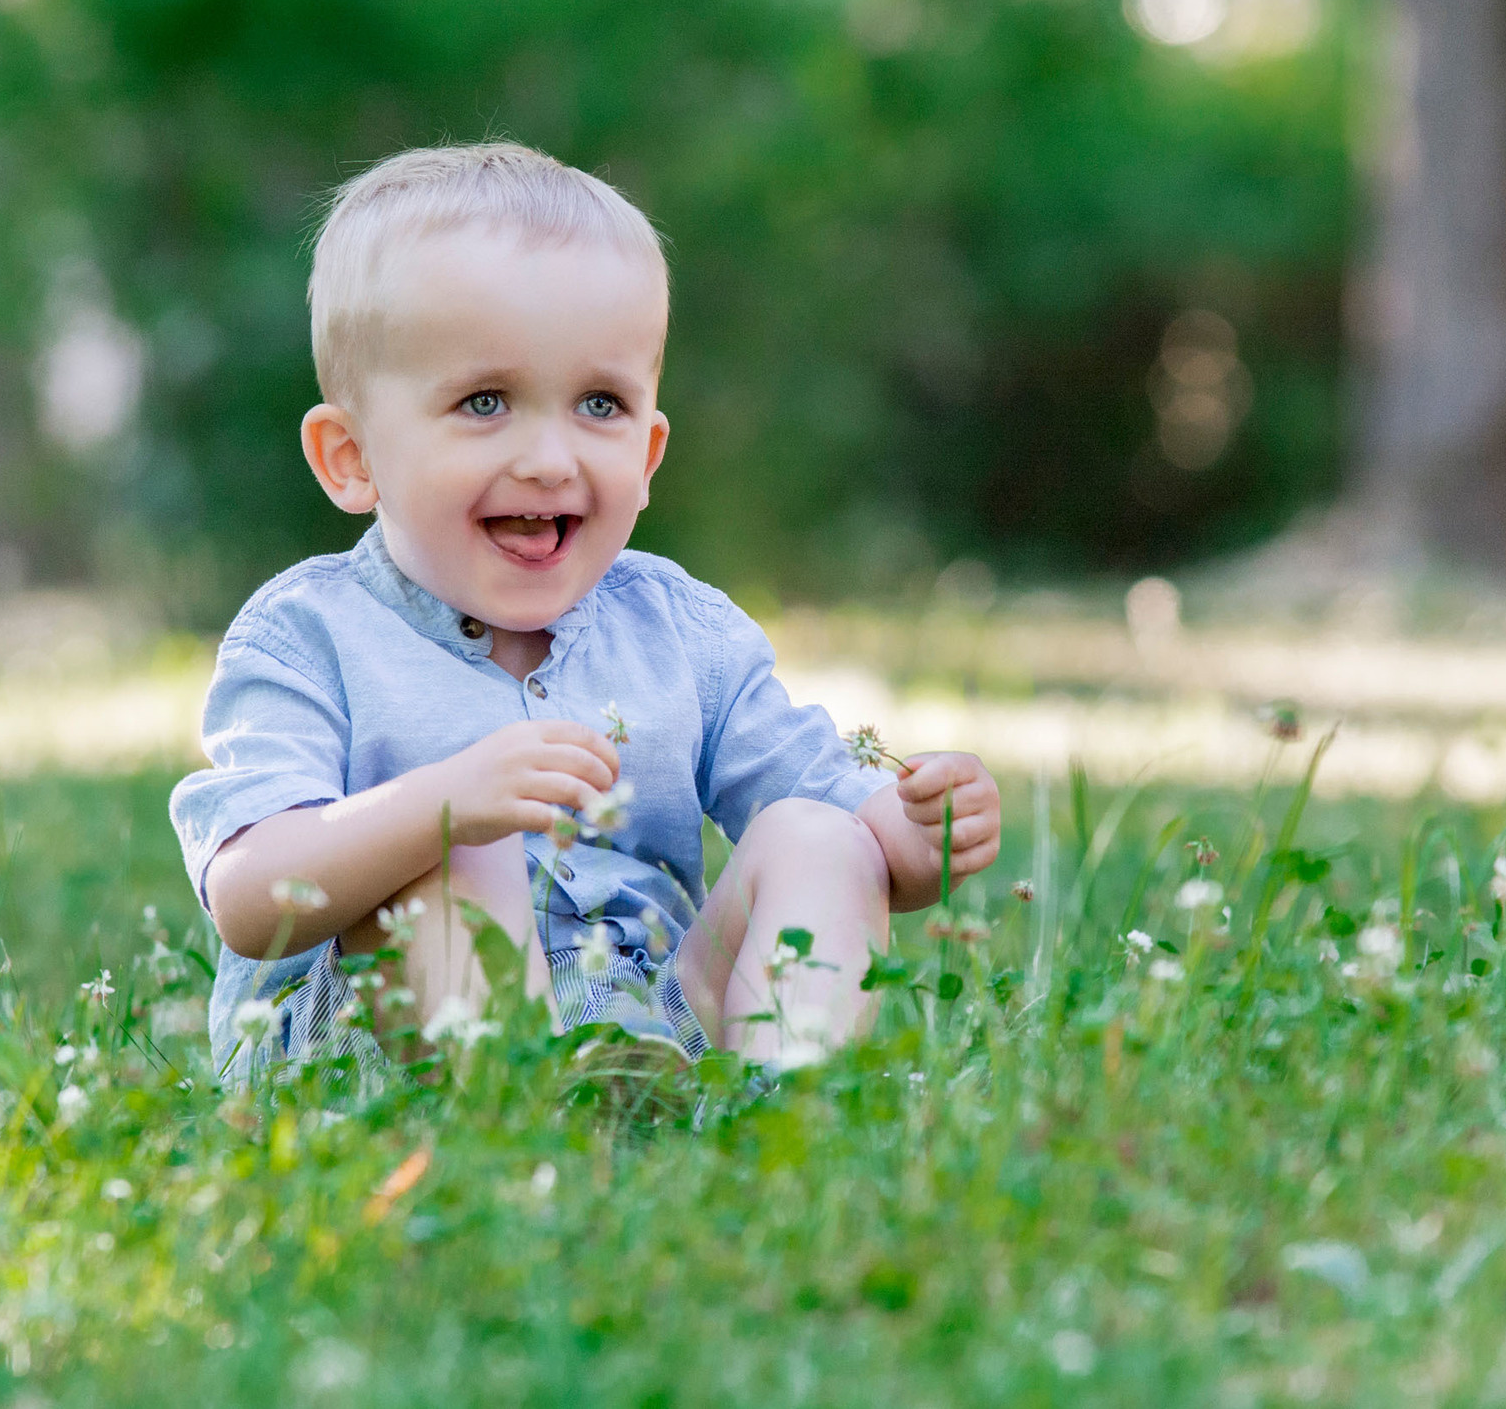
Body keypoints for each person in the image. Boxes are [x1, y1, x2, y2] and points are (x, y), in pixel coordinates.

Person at [168, 142, 1001, 1078]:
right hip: (380, 1045)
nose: (551, 459)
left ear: (647, 455)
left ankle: (785, 1112)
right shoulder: (306, 637)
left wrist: (915, 831)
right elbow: (247, 892)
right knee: (451, 855)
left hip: (645, 1027)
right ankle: (511, 1111)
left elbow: (849, 836)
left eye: (599, 404)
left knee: (815, 833)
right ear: (351, 458)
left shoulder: (683, 634)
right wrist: (440, 804)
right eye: (486, 401)